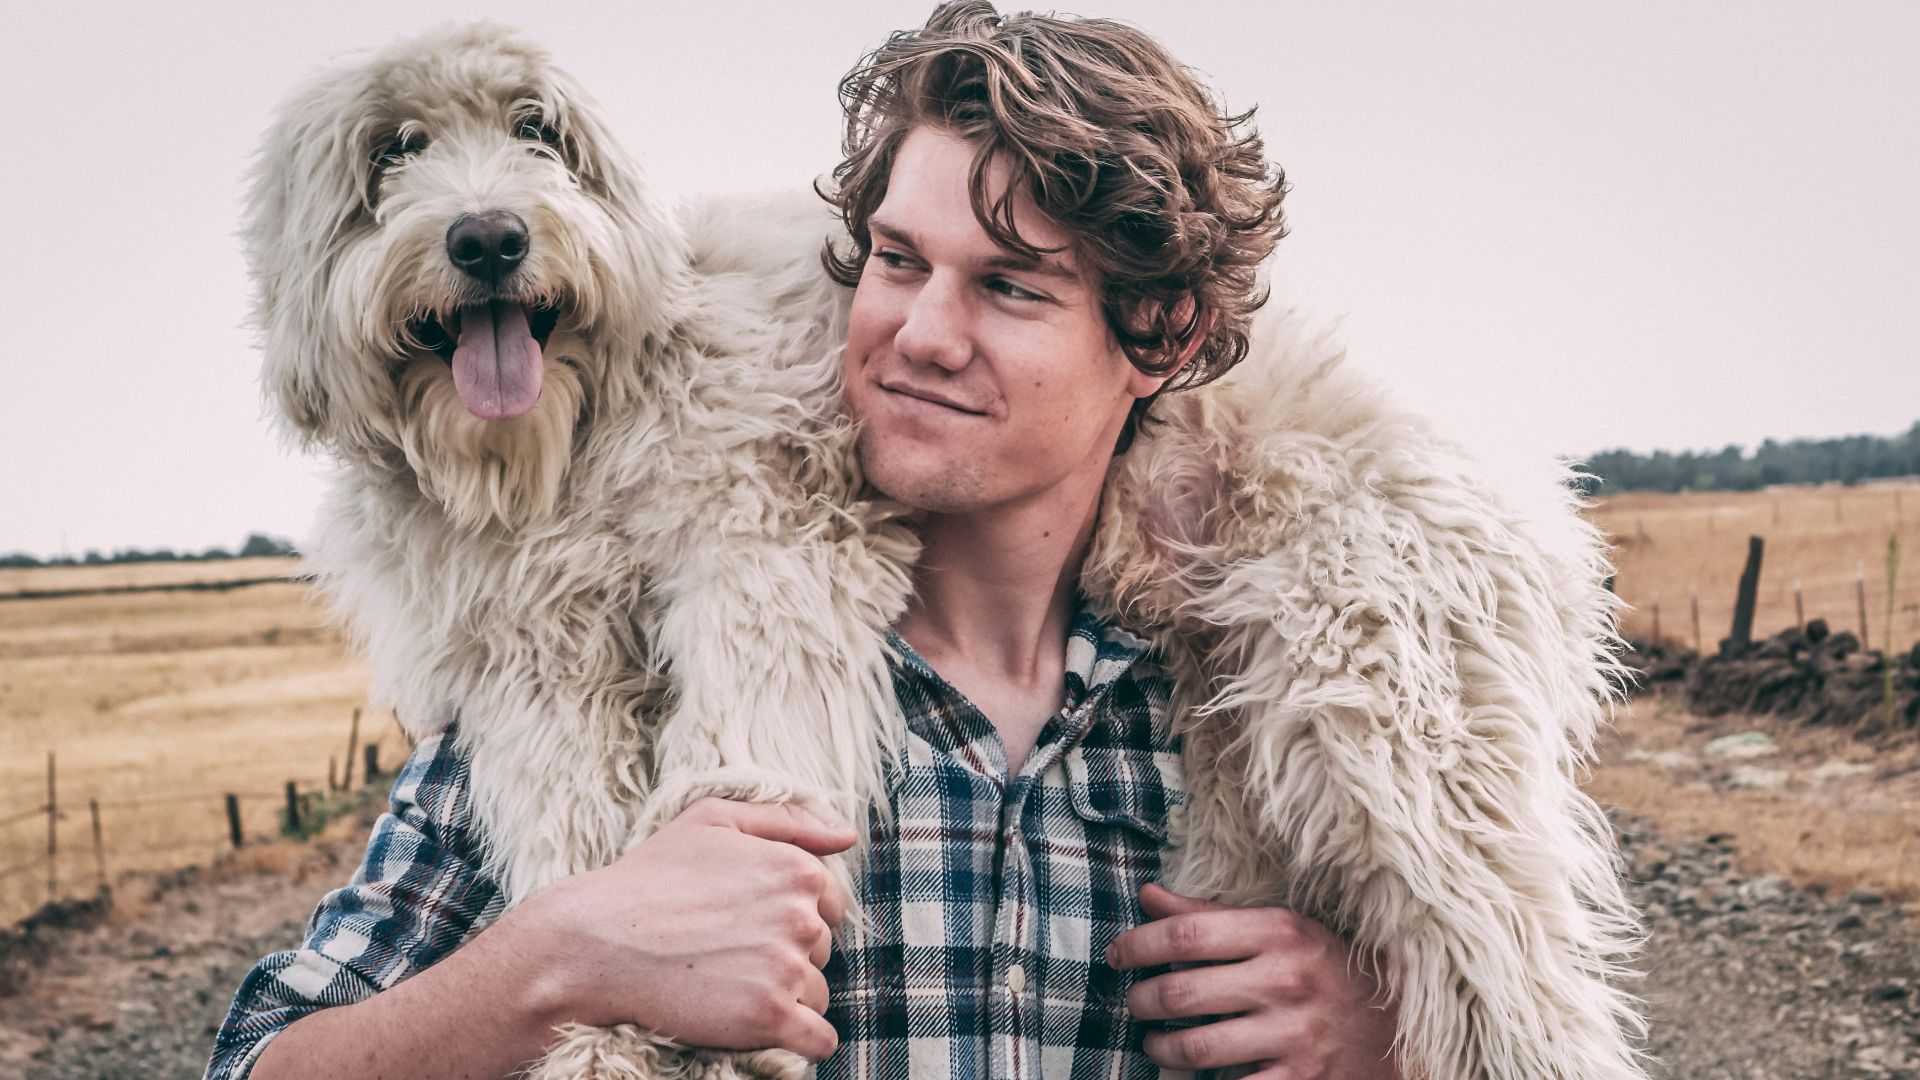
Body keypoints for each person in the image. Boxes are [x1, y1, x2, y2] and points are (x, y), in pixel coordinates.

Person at [208, 4, 1405, 1078]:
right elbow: (260, 1062)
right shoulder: (600, 673)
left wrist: (1399, 1039)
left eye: (1009, 287)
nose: (920, 334)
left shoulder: (1279, 716)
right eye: (898, 260)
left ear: (1163, 335)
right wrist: (561, 956)